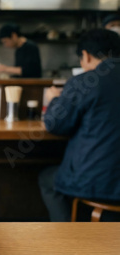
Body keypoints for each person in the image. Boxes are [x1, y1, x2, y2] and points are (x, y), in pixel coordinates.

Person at [39, 29, 120, 221]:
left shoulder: (86, 81)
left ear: (86, 55)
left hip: (97, 182)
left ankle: (66, 240)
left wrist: (53, 100)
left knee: (47, 179)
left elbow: (54, 124)